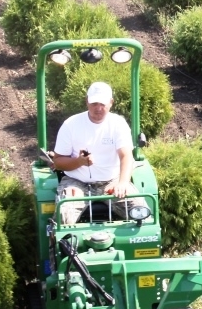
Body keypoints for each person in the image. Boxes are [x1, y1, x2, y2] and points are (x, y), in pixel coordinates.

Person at [51, 82, 144, 225]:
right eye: (94, 103)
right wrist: (79, 162)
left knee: (140, 212)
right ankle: (60, 244)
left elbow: (126, 156)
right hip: (77, 182)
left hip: (111, 181)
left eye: (102, 103)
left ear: (111, 103)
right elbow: (57, 162)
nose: (98, 108)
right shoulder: (71, 125)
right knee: (64, 216)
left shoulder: (117, 124)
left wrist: (123, 182)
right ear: (87, 101)